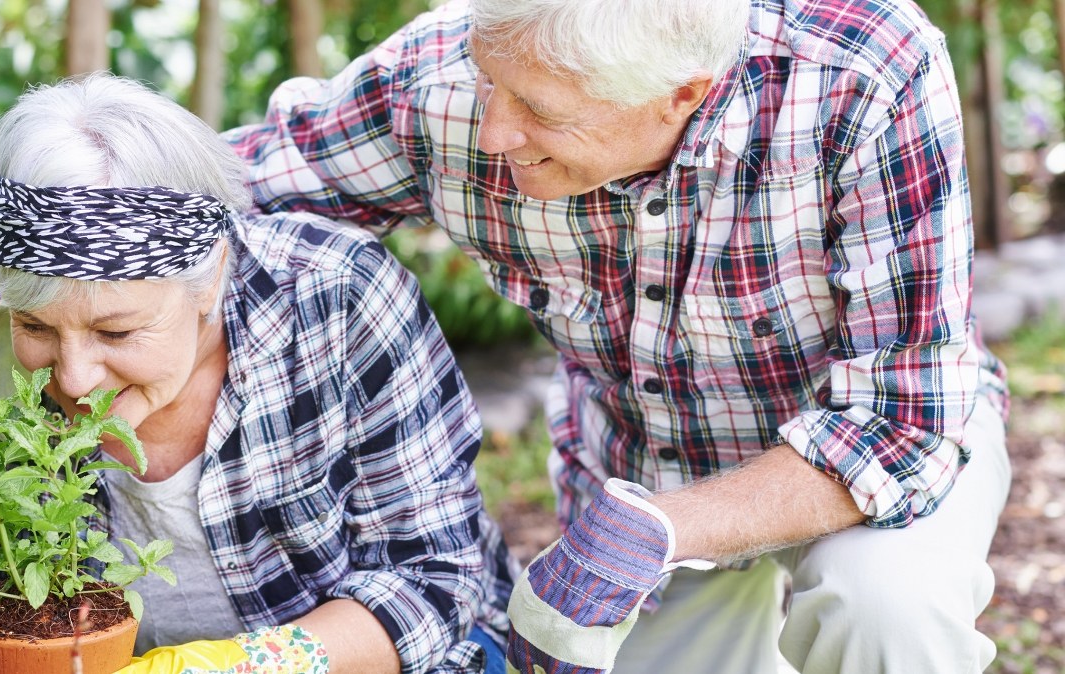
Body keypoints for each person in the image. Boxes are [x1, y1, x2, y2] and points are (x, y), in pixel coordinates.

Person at [220, 0, 1013, 672]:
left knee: (883, 608)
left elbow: (903, 421)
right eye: (488, 80)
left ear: (681, 96)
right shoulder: (442, 80)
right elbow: (229, 191)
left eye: (539, 109)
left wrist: (655, 531)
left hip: (870, 448)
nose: (493, 131)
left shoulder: (864, 68)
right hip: (640, 459)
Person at [0, 73, 515, 674]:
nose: (72, 379)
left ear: (210, 277)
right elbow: (3, 598)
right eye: (36, 328)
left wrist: (237, 665)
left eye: (116, 332)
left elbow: (432, 582)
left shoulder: (339, 302)